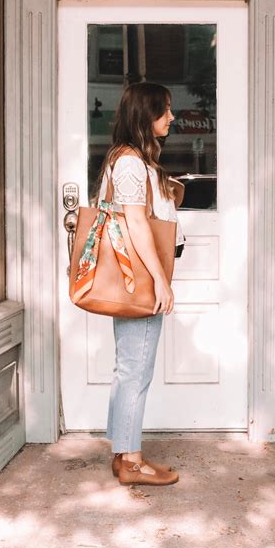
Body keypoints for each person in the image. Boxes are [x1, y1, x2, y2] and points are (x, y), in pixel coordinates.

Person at [95, 81, 184, 486]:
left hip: (136, 276)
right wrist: (161, 282)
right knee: (135, 371)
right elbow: (133, 222)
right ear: (144, 116)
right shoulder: (131, 162)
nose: (171, 117)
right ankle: (131, 462)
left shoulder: (129, 159)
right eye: (163, 110)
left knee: (127, 368)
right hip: (141, 278)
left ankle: (122, 453)